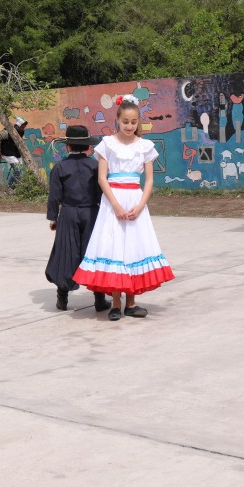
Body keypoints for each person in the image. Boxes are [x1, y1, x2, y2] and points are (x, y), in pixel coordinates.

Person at [72, 95, 174, 321]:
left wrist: (139, 206)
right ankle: (116, 303)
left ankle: (132, 302)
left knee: (134, 249)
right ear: (117, 119)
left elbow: (148, 180)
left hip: (136, 202)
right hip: (113, 203)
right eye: (125, 121)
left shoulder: (145, 146)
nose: (129, 126)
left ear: (138, 122)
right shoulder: (107, 144)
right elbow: (101, 178)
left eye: (134, 122)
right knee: (114, 248)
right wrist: (116, 205)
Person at [45, 125, 111, 313]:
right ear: (88, 147)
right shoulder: (95, 166)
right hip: (92, 213)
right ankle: (99, 299)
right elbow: (102, 193)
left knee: (66, 253)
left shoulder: (60, 167)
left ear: (67, 147)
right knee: (93, 253)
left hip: (68, 214)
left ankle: (62, 299)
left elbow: (54, 196)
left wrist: (53, 218)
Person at [0, 116, 28, 188]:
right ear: (19, 125)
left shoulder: (22, 131)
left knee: (21, 171)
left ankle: (18, 188)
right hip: (8, 153)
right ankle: (9, 188)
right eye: (23, 125)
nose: (24, 127)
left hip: (16, 152)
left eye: (24, 125)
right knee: (17, 171)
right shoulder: (8, 131)